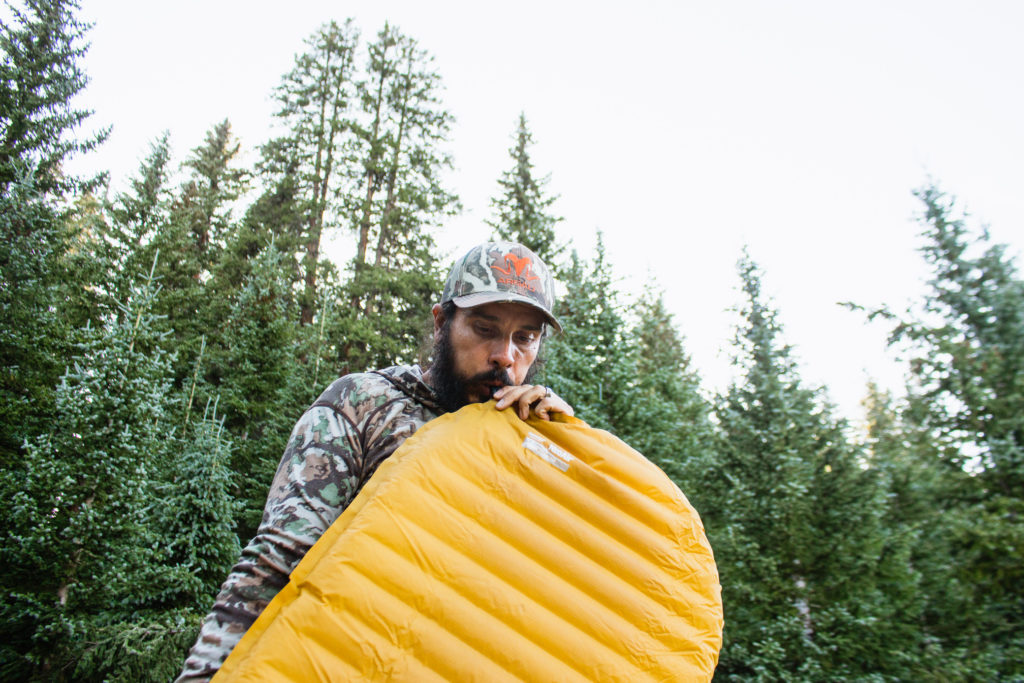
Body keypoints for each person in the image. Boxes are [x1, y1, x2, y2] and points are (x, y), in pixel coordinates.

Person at [176, 241, 574, 682]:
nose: (505, 356)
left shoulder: (538, 437)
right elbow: (279, 561)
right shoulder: (362, 404)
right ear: (442, 323)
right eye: (484, 329)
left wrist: (563, 448)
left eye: (525, 338)